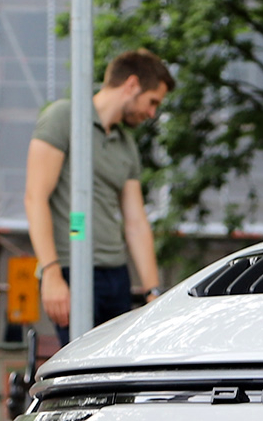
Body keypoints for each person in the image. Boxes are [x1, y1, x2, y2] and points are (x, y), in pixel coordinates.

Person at [26, 48, 173, 340]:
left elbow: (136, 222)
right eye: (152, 101)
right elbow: (35, 197)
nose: (152, 113)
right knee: (81, 372)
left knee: (115, 373)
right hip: (71, 267)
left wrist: (153, 291)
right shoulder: (63, 117)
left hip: (116, 274)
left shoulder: (125, 143)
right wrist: (51, 274)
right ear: (131, 85)